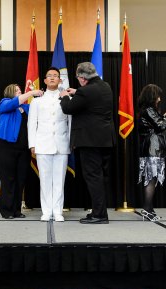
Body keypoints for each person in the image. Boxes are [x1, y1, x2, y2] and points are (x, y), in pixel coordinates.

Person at [60, 62, 115, 224]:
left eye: (78, 78)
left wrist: (64, 96)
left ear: (83, 78)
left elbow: (68, 108)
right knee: (99, 178)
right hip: (105, 140)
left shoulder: (85, 91)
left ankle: (99, 215)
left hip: (90, 141)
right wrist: (77, 92)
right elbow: (93, 98)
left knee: (93, 178)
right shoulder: (105, 86)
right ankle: (100, 212)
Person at [28, 67, 71, 222]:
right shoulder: (37, 101)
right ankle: (46, 211)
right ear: (45, 80)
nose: (53, 78)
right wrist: (32, 144)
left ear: (60, 80)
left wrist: (71, 142)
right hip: (43, 144)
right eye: (50, 76)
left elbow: (70, 123)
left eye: (56, 76)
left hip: (62, 144)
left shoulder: (67, 99)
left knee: (59, 179)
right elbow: (32, 123)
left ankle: (58, 211)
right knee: (45, 179)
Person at [0, 84, 43, 219]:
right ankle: (7, 211)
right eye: (17, 91)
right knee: (8, 179)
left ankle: (16, 210)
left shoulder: (27, 108)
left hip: (23, 150)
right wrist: (31, 92)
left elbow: (38, 110)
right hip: (5, 148)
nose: (20, 92)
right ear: (10, 93)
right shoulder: (5, 103)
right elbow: (13, 103)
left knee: (20, 180)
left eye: (20, 90)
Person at [137, 84, 166, 221]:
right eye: (158, 96)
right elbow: (161, 125)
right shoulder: (149, 110)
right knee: (151, 179)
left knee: (151, 179)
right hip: (153, 149)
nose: (159, 99)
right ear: (152, 96)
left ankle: (149, 209)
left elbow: (157, 124)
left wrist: (163, 117)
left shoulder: (147, 110)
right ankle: (147, 210)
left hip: (151, 148)